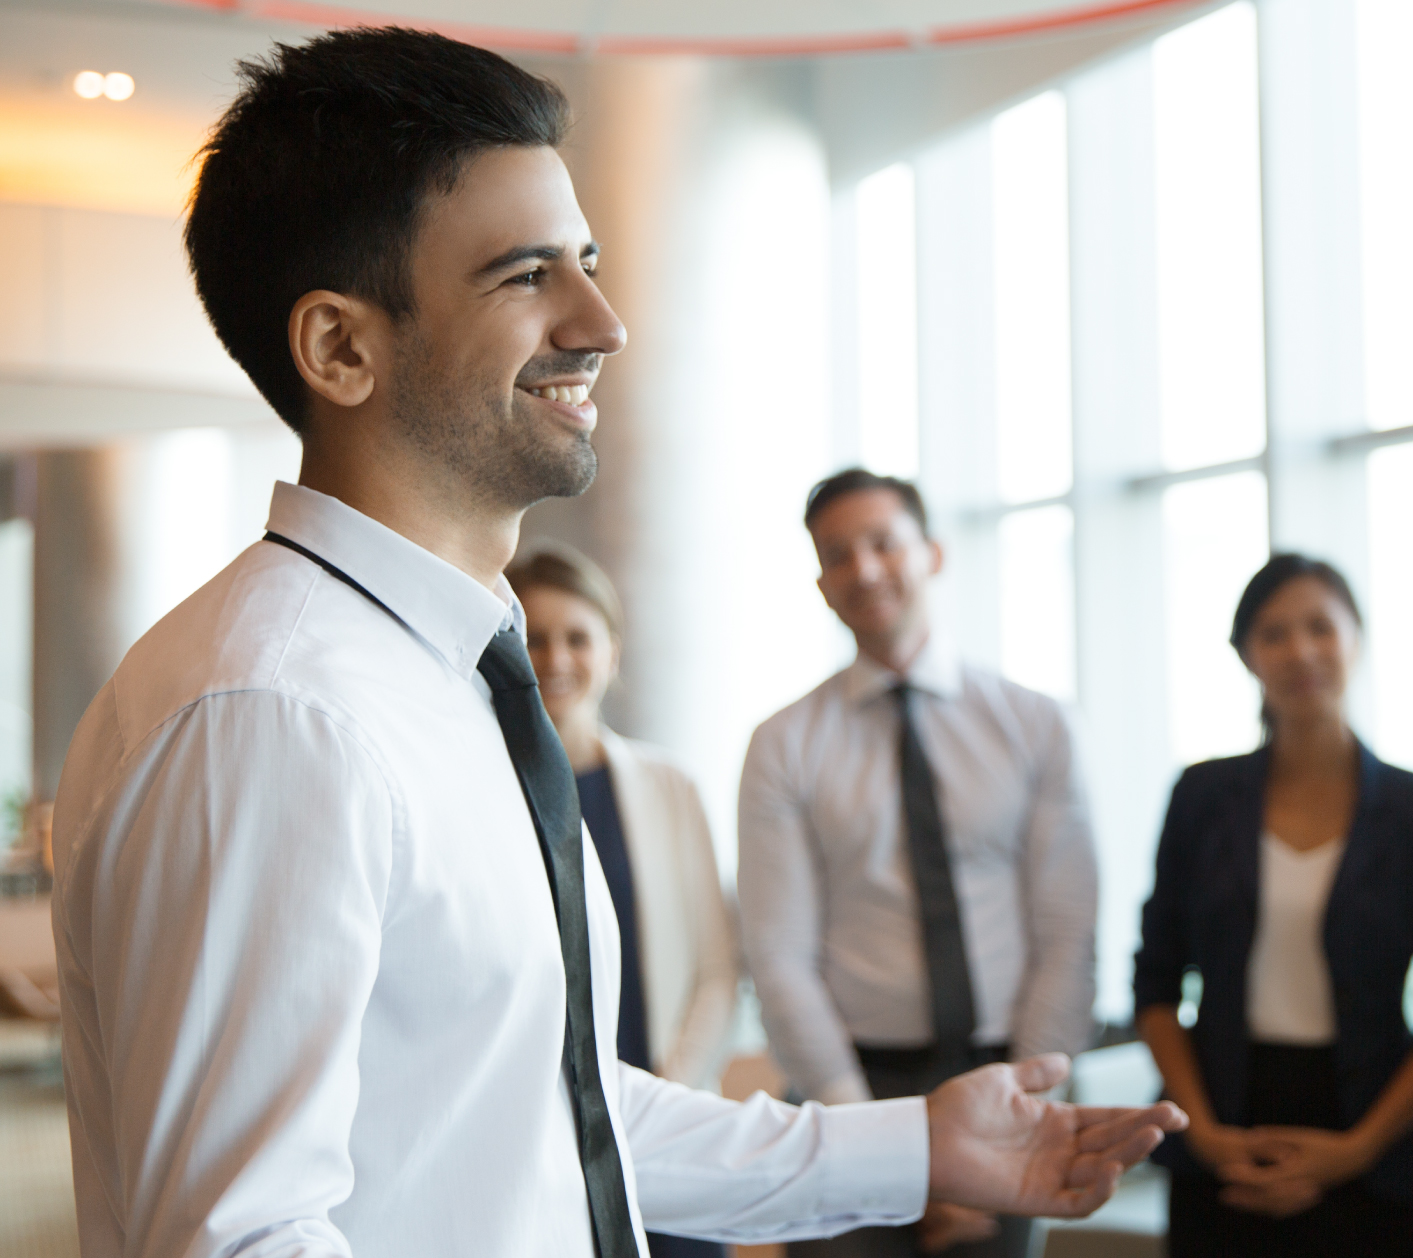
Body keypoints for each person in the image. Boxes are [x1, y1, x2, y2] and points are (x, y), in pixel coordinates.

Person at [48, 29, 1179, 1258]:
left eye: (586, 260)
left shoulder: (443, 677)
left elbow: (553, 1113)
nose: (603, 320)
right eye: (526, 273)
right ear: (341, 347)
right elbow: (242, 1238)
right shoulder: (275, 708)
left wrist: (920, 1148)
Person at [737, 468, 1099, 1258]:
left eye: (882, 544)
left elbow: (1068, 931)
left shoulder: (1034, 725)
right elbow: (779, 955)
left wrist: (1028, 1104)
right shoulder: (784, 744)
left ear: (931, 553)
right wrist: (875, 1146)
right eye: (838, 555)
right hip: (848, 1096)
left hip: (1008, 1082)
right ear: (822, 583)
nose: (863, 570)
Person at [1134, 554, 1413, 1258]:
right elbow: (1156, 981)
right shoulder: (1202, 798)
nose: (1301, 652)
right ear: (1246, 655)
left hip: (1375, 1143)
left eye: (1321, 628)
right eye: (1274, 634)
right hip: (1223, 1124)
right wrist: (1202, 1132)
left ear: (1357, 638)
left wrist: (1355, 1150)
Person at [512, 543, 740, 1258]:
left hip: (663, 1124)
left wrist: (675, 1086)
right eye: (532, 637)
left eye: (577, 637)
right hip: (532, 1140)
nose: (555, 657)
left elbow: (717, 969)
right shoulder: (483, 790)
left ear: (612, 650)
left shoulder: (671, 788)